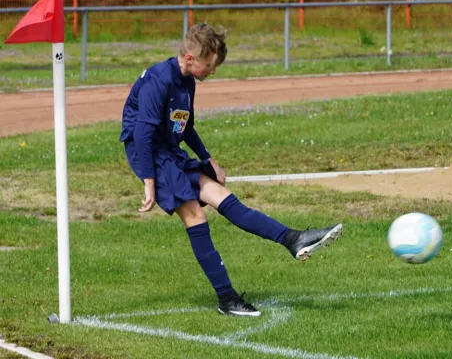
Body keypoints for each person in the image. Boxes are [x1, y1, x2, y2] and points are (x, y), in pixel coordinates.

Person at [120, 23, 343, 317]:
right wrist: (149, 183)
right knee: (195, 216)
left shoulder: (187, 82)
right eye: (210, 66)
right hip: (149, 153)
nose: (213, 72)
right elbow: (144, 133)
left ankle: (293, 239)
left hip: (168, 150)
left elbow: (185, 126)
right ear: (190, 59)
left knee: (222, 196)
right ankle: (227, 298)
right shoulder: (159, 80)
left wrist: (207, 158)